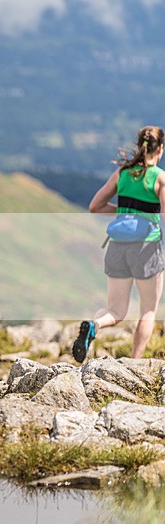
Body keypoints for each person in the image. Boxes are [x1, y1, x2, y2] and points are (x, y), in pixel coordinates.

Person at [73, 126, 165, 362]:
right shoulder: (160, 178)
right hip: (146, 248)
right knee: (148, 311)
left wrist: (124, 213)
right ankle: (133, 363)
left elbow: (95, 207)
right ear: (161, 149)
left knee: (115, 311)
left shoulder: (122, 173)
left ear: (138, 147)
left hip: (117, 246)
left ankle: (94, 325)